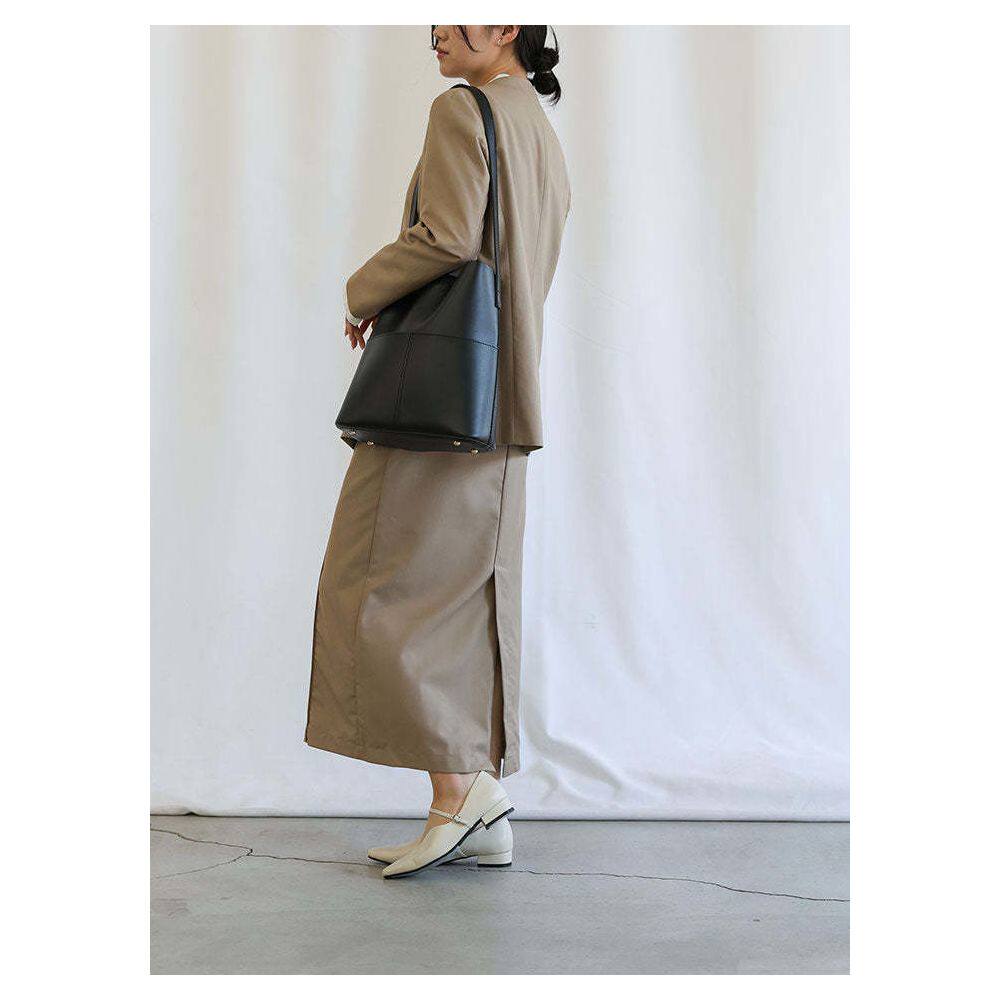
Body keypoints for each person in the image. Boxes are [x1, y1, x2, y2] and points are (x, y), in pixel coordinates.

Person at [305, 25, 571, 879]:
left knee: (378, 584)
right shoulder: (537, 128)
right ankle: (473, 799)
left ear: (505, 27)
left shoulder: (463, 111)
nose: (435, 33)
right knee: (463, 600)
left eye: (454, 17)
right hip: (501, 400)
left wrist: (363, 291)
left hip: (440, 404)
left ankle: (457, 798)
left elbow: (447, 236)